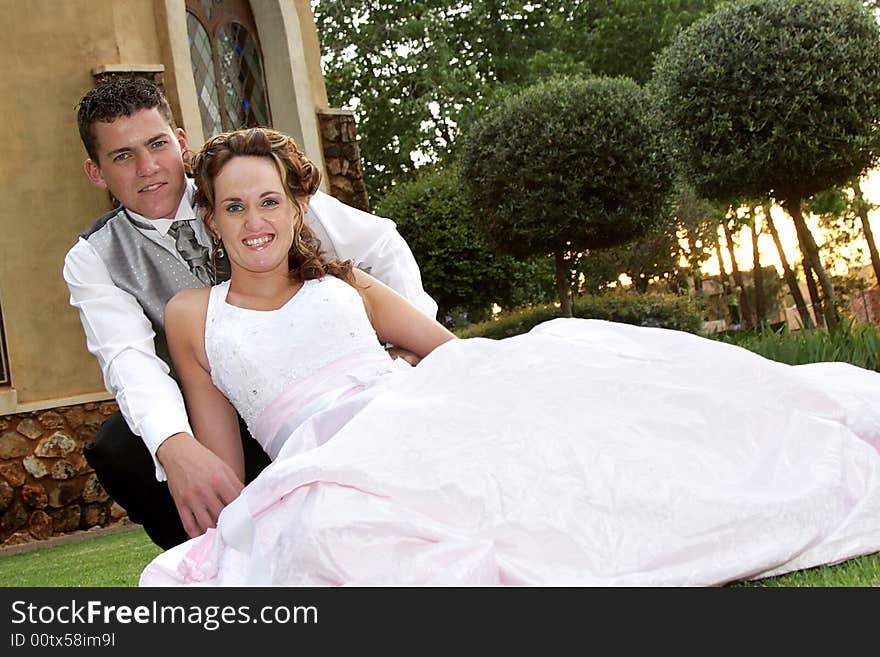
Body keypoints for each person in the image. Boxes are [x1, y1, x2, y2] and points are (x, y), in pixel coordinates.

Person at [140, 126, 880, 586]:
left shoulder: (344, 284)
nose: (254, 220)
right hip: (322, 460)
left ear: (297, 207)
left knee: (592, 438)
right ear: (208, 217)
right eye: (233, 206)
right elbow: (222, 468)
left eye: (268, 200)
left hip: (412, 410)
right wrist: (234, 535)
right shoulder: (192, 316)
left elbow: (450, 354)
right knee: (343, 538)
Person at [63, 78, 438, 550]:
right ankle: (217, 554)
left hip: (315, 373)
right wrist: (174, 445)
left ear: (180, 141)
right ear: (96, 173)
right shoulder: (93, 257)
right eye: (122, 157)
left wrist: (408, 349)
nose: (148, 167)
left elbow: (379, 244)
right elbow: (127, 361)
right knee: (120, 445)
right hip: (215, 392)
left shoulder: (249, 180)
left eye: (157, 144)